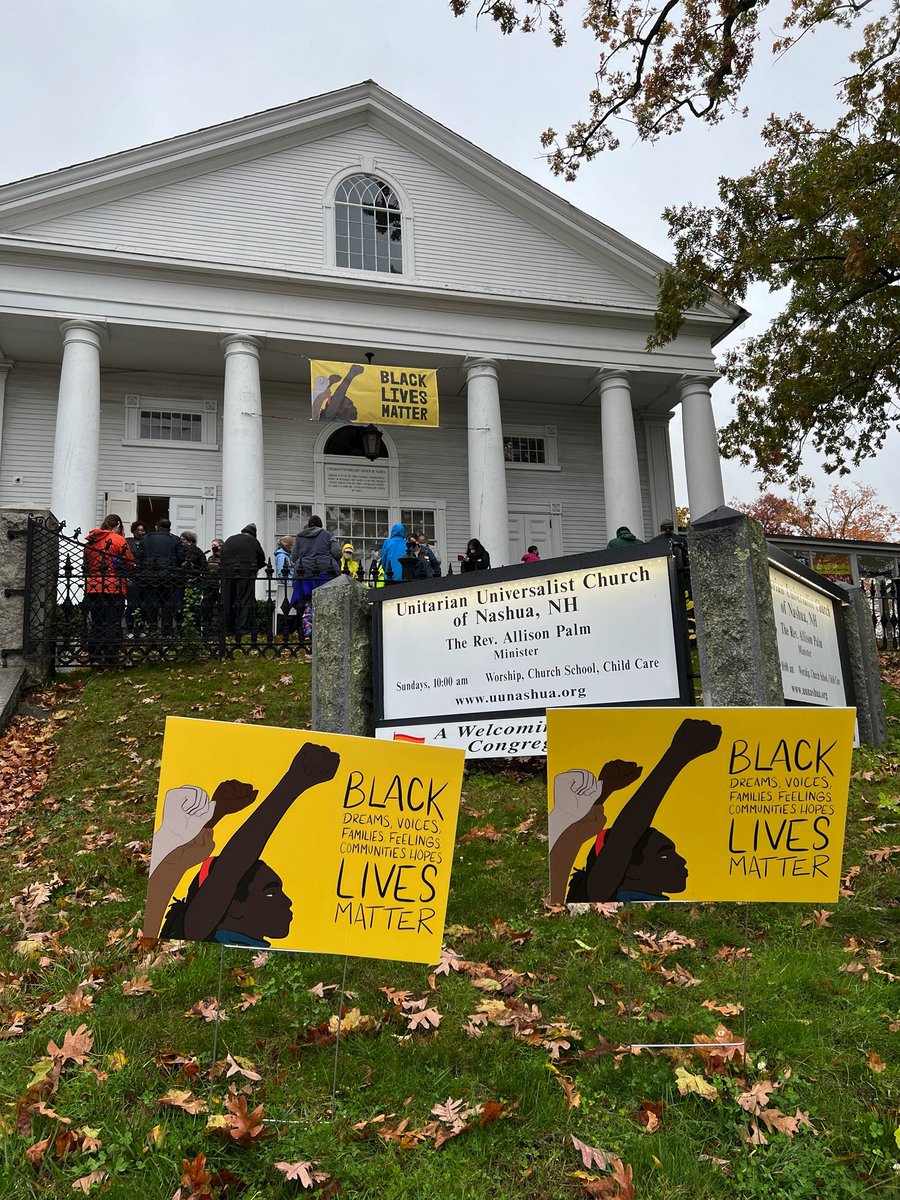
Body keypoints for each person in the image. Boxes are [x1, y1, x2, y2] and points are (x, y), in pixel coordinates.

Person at [159, 742, 340, 947]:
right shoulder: (197, 932)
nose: (287, 901)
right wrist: (294, 782)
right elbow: (232, 867)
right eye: (270, 893)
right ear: (233, 905)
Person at [564, 718, 722, 903]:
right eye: (664, 855)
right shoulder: (602, 894)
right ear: (630, 870)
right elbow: (625, 835)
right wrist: (678, 754)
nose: (682, 860)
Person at [83, 514, 133, 665]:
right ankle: (111, 655)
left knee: (97, 621)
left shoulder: (91, 540)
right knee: (112, 620)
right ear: (117, 524)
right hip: (113, 585)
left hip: (93, 585)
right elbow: (129, 562)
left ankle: (95, 653)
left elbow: (86, 563)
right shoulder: (118, 540)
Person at [290, 515, 340, 640]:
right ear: (321, 525)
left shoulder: (300, 537)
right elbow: (337, 553)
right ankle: (326, 632)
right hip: (325, 572)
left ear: (309, 525)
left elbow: (294, 557)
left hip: (304, 573)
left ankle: (308, 631)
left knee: (308, 603)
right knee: (326, 602)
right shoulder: (328, 535)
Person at [138, 517, 186, 633]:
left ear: (157, 527)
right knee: (167, 604)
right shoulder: (175, 539)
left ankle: (152, 630)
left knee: (151, 603)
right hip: (168, 576)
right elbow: (181, 558)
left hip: (150, 576)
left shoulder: (146, 538)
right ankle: (166, 631)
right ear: (169, 528)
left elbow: (140, 556)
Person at [220, 523, 265, 643]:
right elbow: (262, 558)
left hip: (228, 572)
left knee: (228, 598)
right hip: (246, 572)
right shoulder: (253, 541)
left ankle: (227, 628)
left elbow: (222, 556)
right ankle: (242, 629)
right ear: (254, 534)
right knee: (245, 599)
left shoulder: (229, 539)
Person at [179, 530, 207, 627]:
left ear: (190, 541)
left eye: (184, 540)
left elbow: (204, 568)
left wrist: (193, 566)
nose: (182, 542)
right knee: (180, 605)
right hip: (181, 581)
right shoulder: (180, 551)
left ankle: (196, 628)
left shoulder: (198, 552)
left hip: (195, 582)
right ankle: (181, 628)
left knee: (195, 606)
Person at [124, 520, 146, 633]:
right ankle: (130, 629)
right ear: (133, 531)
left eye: (142, 530)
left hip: (144, 577)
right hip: (131, 576)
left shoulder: (147, 543)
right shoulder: (127, 542)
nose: (140, 532)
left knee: (143, 605)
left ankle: (141, 629)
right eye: (137, 530)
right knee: (131, 604)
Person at [274, 535, 297, 636]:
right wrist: (289, 583)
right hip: (287, 587)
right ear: (287, 545)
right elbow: (281, 574)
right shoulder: (282, 556)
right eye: (291, 545)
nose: (292, 548)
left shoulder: (286, 556)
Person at [201, 538, 224, 634]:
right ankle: (207, 628)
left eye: (215, 545)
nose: (213, 547)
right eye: (212, 546)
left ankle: (221, 629)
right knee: (207, 606)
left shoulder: (224, 558)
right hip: (210, 585)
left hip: (220, 585)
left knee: (221, 607)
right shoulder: (211, 558)